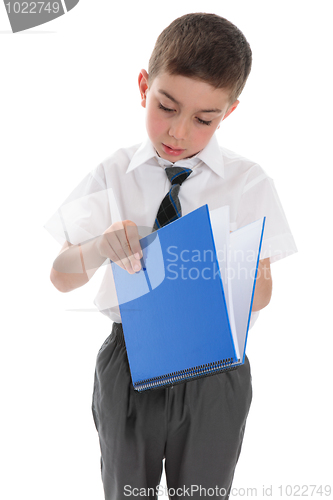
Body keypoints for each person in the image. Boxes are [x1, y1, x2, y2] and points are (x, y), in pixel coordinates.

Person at [44, 13, 297, 499]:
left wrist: (219, 264)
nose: (178, 131)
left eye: (204, 119)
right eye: (167, 106)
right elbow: (60, 276)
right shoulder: (114, 172)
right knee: (126, 491)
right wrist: (100, 247)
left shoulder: (248, 182)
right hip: (130, 356)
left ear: (229, 112)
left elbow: (262, 293)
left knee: (202, 493)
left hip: (215, 361)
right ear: (144, 85)